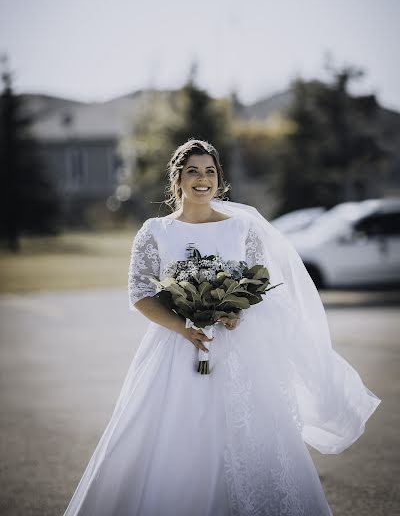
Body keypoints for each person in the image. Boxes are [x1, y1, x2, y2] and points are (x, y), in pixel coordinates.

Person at [62, 138, 380, 516]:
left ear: (219, 179)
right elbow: (140, 293)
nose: (202, 179)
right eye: (193, 171)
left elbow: (258, 284)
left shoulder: (242, 228)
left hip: (237, 349)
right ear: (177, 179)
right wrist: (184, 327)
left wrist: (237, 311)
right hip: (175, 349)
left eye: (210, 171)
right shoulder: (156, 231)